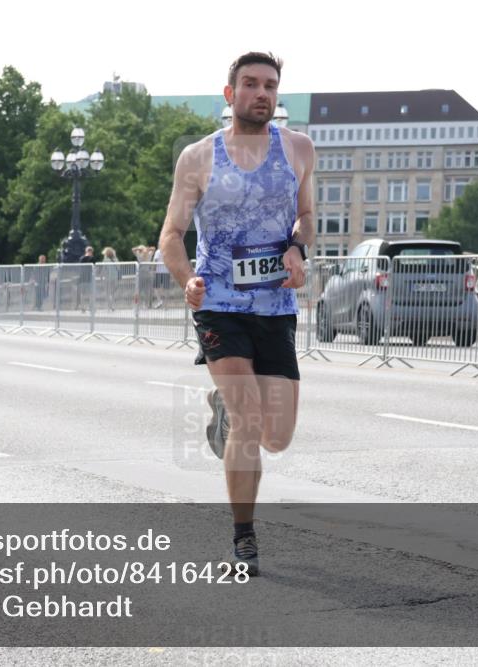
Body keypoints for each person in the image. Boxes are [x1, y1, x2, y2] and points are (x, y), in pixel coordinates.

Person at [158, 51, 315, 576]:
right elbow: (172, 234)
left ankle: (224, 413)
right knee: (250, 422)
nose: (261, 93)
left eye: (270, 85)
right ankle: (243, 537)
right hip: (220, 305)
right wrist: (188, 279)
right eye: (250, 84)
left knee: (277, 437)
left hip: (275, 305)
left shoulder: (298, 149)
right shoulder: (199, 157)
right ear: (230, 94)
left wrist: (298, 248)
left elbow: (306, 216)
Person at [101, 246, 119, 310]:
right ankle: (112, 305)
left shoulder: (105, 260)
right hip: (115, 278)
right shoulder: (116, 259)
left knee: (107, 292)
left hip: (108, 278)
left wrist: (101, 276)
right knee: (112, 293)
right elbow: (118, 268)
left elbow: (103, 268)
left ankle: (109, 305)